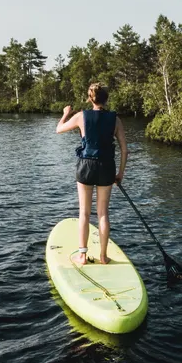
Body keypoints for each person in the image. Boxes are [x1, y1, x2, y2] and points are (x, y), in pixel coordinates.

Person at [54, 82, 128, 266]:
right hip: (106, 167)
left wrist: (65, 113)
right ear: (106, 98)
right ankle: (103, 256)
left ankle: (82, 256)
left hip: (86, 166)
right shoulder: (115, 120)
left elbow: (58, 129)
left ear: (90, 98)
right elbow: (125, 150)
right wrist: (120, 174)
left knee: (84, 213)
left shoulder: (81, 116)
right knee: (103, 213)